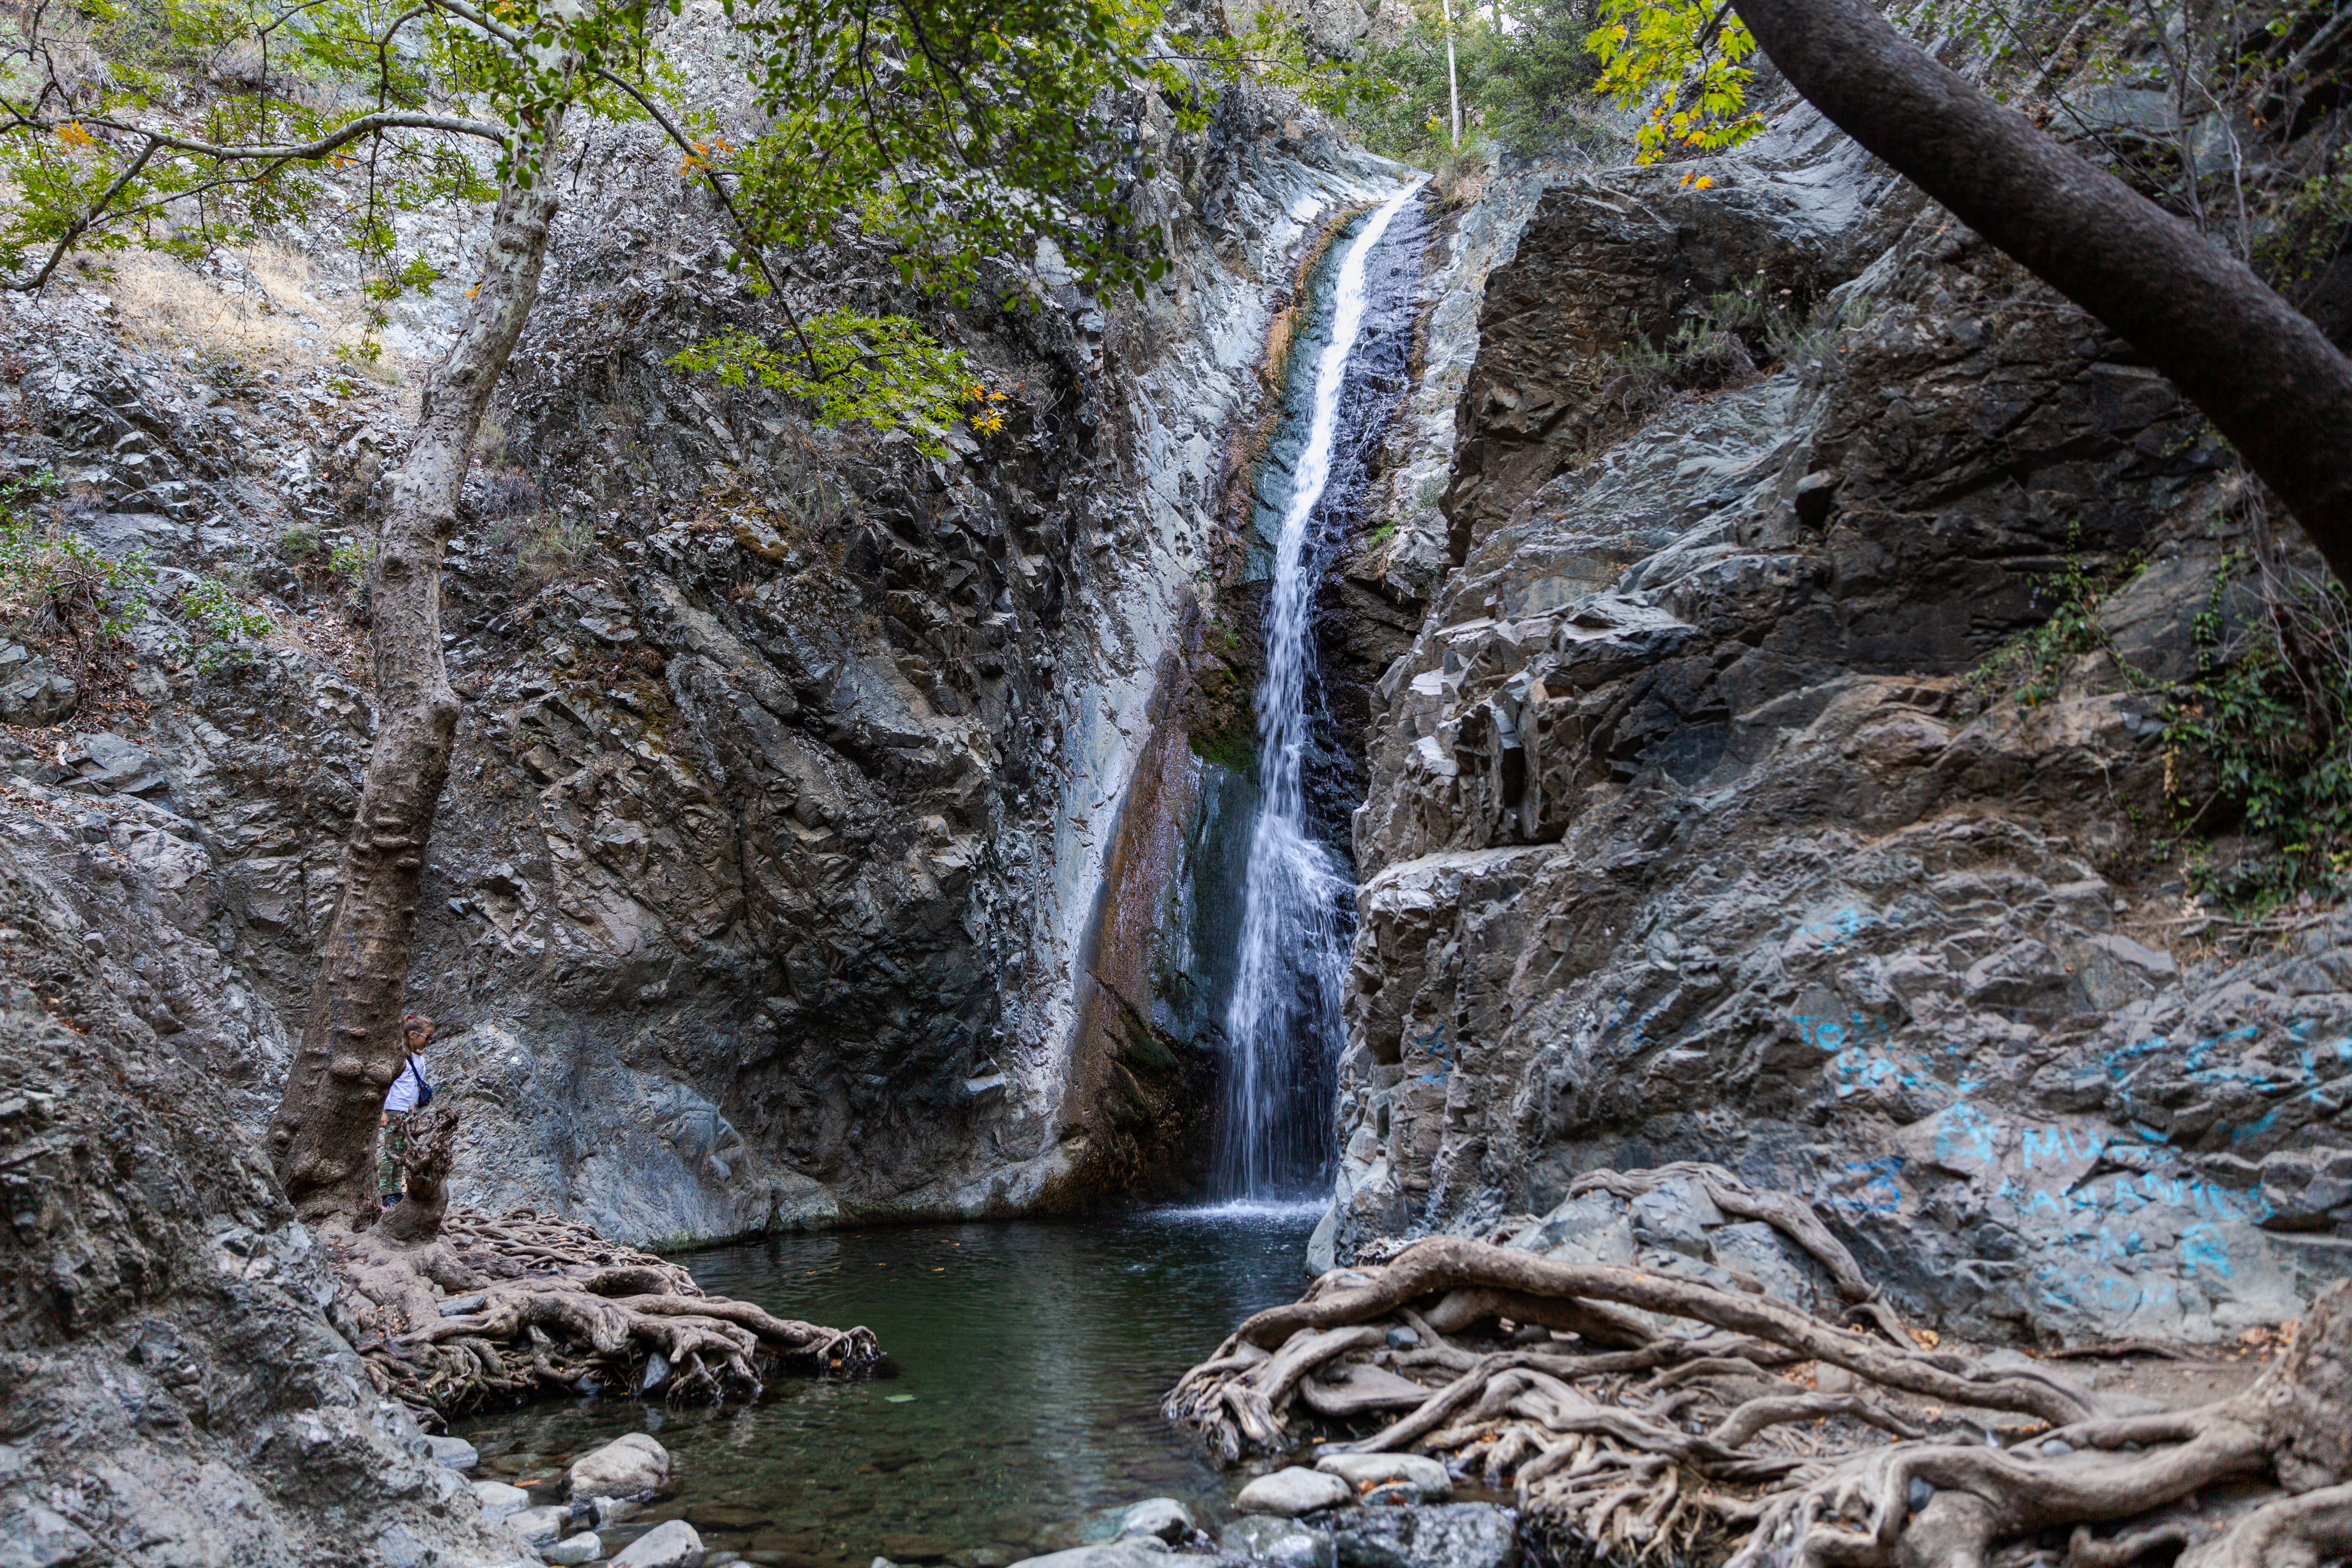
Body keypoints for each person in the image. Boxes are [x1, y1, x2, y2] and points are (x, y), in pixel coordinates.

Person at [378, 1013, 436, 1207]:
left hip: (411, 1112)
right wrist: (382, 1111)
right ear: (413, 1035)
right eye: (427, 1037)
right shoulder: (399, 1059)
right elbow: (385, 1085)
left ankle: (397, 1192)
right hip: (395, 1110)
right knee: (391, 1152)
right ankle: (387, 1195)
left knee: (403, 1153)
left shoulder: (420, 1059)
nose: (429, 1041)